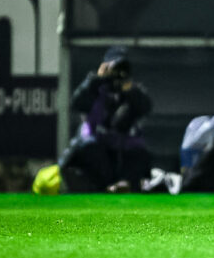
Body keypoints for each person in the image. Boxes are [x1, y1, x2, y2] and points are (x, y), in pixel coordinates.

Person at [58, 46, 153, 193]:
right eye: (115, 67)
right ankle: (103, 187)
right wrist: (96, 79)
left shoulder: (131, 91)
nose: (118, 74)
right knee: (92, 152)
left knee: (139, 154)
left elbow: (146, 107)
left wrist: (130, 91)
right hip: (96, 146)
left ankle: (123, 184)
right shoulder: (96, 88)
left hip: (122, 147)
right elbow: (77, 103)